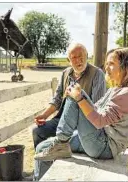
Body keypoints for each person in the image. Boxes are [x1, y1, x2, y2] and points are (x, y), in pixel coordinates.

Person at [34, 47, 128, 180]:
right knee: (42, 147)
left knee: (75, 96)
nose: (107, 68)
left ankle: (61, 142)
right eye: (106, 64)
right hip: (97, 138)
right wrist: (78, 94)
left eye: (111, 64)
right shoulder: (117, 89)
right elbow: (96, 108)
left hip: (104, 146)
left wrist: (78, 98)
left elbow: (99, 121)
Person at [32, 43, 107, 180]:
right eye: (74, 57)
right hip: (63, 119)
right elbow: (57, 100)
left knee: (69, 135)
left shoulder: (97, 74)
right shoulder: (65, 73)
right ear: (69, 60)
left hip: (84, 123)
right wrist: (44, 115)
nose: (78, 60)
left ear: (87, 56)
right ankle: (41, 172)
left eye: (81, 56)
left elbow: (97, 106)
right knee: (38, 131)